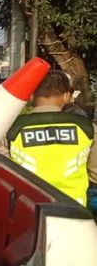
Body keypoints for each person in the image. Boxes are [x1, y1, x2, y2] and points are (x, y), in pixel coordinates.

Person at [7, 70, 97, 208]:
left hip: (27, 210)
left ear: (31, 95)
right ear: (66, 96)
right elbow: (95, 173)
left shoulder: (12, 128)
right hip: (74, 211)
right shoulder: (86, 128)